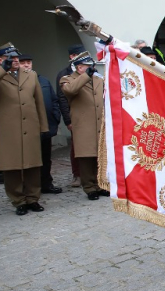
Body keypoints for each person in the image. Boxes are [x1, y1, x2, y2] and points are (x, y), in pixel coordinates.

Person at [0, 43, 49, 215]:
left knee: (33, 165)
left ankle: (33, 198)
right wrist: (2, 70)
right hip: (8, 130)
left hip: (30, 126)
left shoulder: (30, 75)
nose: (15, 60)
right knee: (12, 167)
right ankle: (18, 201)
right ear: (0, 59)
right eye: (11, 57)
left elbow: (38, 101)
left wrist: (43, 126)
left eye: (16, 57)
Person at [59, 52, 109, 200]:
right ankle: (89, 187)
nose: (91, 68)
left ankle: (101, 185)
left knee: (100, 156)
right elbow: (71, 90)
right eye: (87, 66)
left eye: (91, 65)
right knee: (86, 157)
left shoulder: (97, 79)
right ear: (79, 67)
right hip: (83, 125)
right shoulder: (67, 79)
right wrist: (86, 76)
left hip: (100, 123)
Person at [20, 55, 62, 194]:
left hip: (46, 126)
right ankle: (30, 188)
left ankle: (46, 184)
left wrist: (55, 118)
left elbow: (54, 100)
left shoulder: (43, 80)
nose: (27, 65)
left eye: (29, 62)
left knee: (46, 157)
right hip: (28, 128)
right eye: (23, 63)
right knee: (30, 159)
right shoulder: (17, 82)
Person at [57, 44, 84, 187]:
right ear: (72, 57)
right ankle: (77, 175)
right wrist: (68, 120)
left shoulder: (90, 72)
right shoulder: (64, 75)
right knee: (76, 147)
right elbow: (62, 99)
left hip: (90, 116)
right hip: (74, 116)